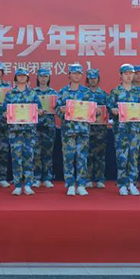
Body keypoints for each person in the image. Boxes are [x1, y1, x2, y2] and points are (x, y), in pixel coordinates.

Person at [57, 63, 94, 196]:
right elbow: (57, 110)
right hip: (68, 130)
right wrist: (61, 110)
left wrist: (97, 111)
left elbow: (93, 112)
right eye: (74, 73)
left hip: (83, 130)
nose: (77, 76)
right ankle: (70, 185)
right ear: (69, 75)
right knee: (68, 158)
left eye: (79, 73)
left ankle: (82, 184)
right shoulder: (63, 92)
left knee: (82, 158)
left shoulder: (87, 92)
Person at [107, 64, 140, 196]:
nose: (129, 76)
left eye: (131, 73)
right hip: (120, 130)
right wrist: (113, 110)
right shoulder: (115, 92)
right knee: (122, 157)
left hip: (135, 129)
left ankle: (132, 183)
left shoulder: (138, 92)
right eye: (126, 73)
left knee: (134, 156)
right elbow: (109, 107)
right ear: (121, 75)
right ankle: (122, 184)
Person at [3, 68, 39, 196]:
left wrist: (38, 111)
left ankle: (28, 184)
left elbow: (39, 109)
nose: (22, 78)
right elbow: (4, 111)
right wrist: (5, 113)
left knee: (29, 157)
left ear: (27, 78)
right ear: (16, 78)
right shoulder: (10, 94)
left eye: (24, 76)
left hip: (29, 130)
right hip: (15, 130)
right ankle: (18, 185)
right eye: (19, 76)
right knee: (16, 157)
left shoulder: (33, 94)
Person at [33, 68, 58, 188]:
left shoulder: (54, 93)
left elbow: (58, 108)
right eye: (41, 76)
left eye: (46, 76)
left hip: (49, 126)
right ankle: (37, 178)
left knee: (48, 153)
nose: (43, 79)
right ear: (37, 78)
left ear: (49, 78)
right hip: (35, 126)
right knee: (36, 153)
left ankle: (47, 177)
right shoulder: (32, 92)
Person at [86, 68, 108, 189]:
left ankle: (100, 179)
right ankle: (88, 178)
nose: (93, 80)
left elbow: (109, 109)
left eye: (95, 78)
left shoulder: (103, 94)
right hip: (86, 128)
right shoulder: (84, 93)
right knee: (87, 154)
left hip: (100, 129)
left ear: (98, 79)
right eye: (90, 78)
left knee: (100, 154)